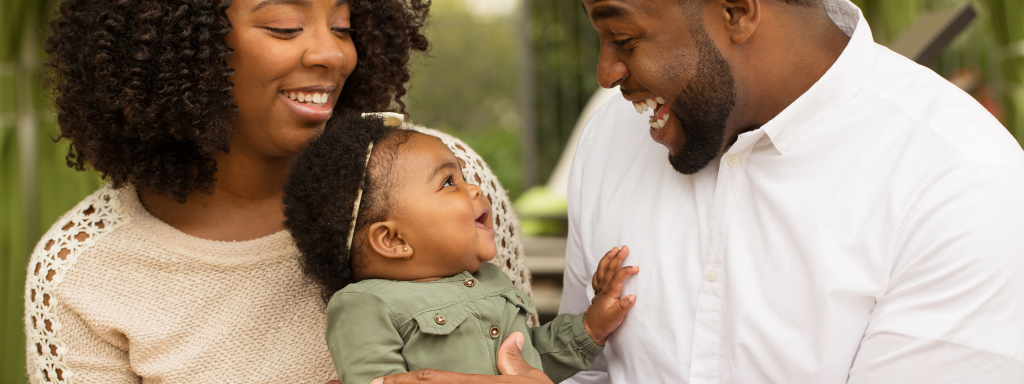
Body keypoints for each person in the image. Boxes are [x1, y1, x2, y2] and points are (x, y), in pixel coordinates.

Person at [24, 0, 533, 382]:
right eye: (284, 27)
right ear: (175, 48)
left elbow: (528, 355)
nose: (332, 53)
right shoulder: (81, 270)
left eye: (343, 26)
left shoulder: (449, 184)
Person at [558, 0, 1024, 383]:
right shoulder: (607, 141)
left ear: (738, 12)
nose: (606, 72)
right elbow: (585, 369)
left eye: (624, 39)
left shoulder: (960, 184)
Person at [281, 115, 638, 384]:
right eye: (449, 182)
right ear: (393, 241)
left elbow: (529, 359)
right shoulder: (364, 305)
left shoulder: (491, 279)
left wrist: (591, 325)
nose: (475, 189)